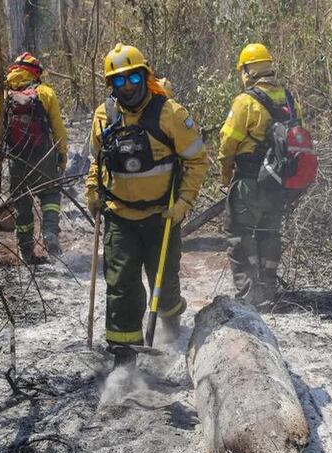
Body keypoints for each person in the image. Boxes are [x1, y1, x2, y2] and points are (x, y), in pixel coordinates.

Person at [86, 43, 207, 369]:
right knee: (121, 285)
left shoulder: (171, 114)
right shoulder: (103, 117)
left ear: (145, 76)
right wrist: (93, 191)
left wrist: (183, 203)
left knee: (163, 283)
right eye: (119, 80)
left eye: (133, 78)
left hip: (161, 217)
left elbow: (197, 160)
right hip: (119, 215)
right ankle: (124, 359)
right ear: (111, 84)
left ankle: (171, 324)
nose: (127, 86)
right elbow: (96, 161)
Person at [217, 43, 304, 307]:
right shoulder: (289, 100)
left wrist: (225, 176)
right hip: (278, 183)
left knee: (239, 233)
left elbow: (227, 144)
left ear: (246, 70)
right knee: (270, 232)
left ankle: (248, 295)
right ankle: (268, 289)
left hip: (249, 180)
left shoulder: (245, 102)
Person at [0, 52, 69, 263]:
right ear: (35, 73)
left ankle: (26, 252)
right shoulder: (45, 93)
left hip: (16, 160)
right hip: (44, 156)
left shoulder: (1, 99)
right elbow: (58, 128)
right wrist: (62, 155)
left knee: (22, 205)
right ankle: (50, 231)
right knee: (50, 194)